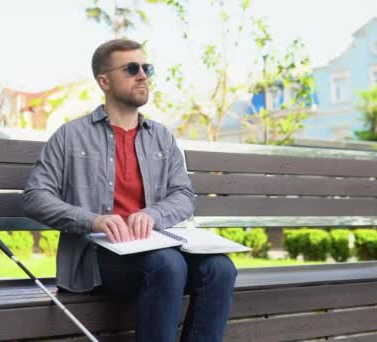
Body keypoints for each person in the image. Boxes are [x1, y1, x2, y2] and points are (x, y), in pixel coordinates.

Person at [23, 38, 237, 342]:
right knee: (168, 265)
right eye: (131, 68)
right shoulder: (70, 136)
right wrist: (92, 220)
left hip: (158, 247)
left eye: (146, 68)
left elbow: (183, 196)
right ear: (104, 81)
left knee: (221, 269)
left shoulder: (162, 137)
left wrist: (154, 214)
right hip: (99, 254)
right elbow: (35, 197)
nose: (143, 75)